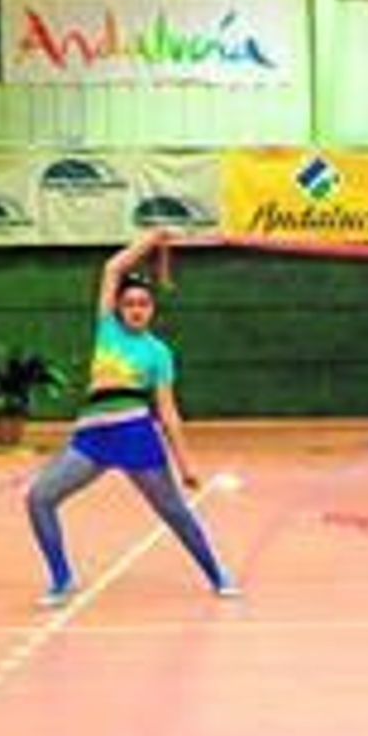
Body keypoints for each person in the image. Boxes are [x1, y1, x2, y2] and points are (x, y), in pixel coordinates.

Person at [25, 230, 237, 606]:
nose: (136, 309)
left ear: (152, 309)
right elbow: (113, 268)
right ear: (119, 308)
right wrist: (152, 239)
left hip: (137, 439)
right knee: (39, 498)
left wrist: (185, 465)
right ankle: (61, 579)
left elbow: (168, 412)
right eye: (129, 303)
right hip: (91, 442)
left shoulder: (158, 353)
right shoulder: (107, 329)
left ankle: (217, 573)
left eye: (143, 303)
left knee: (174, 512)